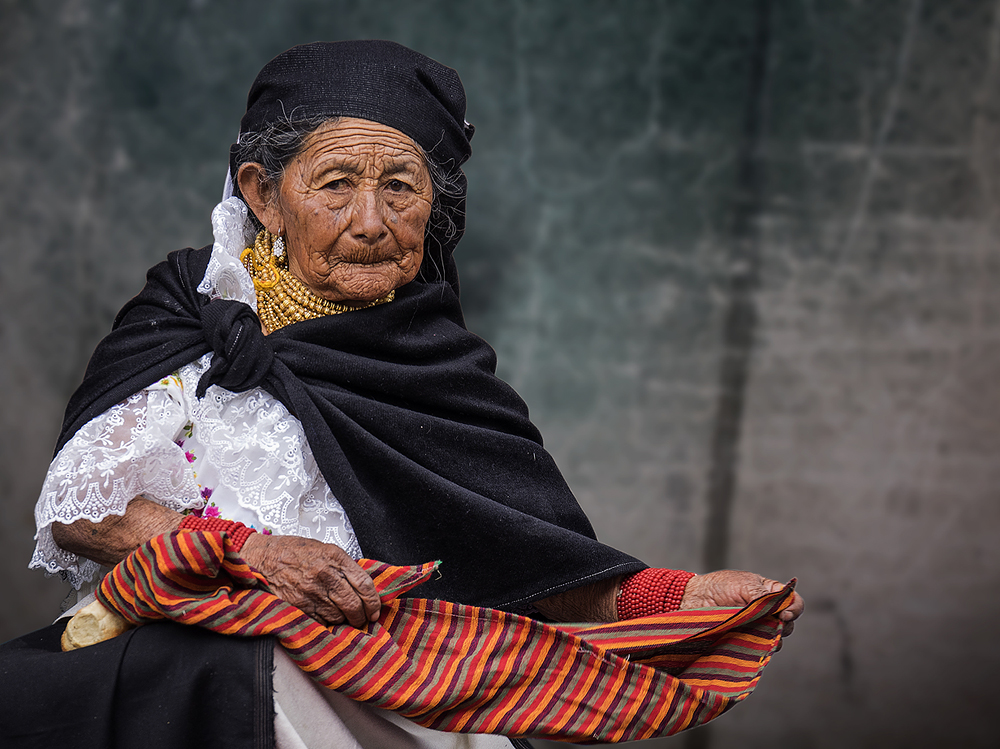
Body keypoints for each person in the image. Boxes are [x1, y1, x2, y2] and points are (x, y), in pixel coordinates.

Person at [21, 40, 802, 747]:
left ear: (436, 209)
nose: (371, 220)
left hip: (396, 681)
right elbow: (87, 508)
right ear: (264, 196)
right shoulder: (186, 316)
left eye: (401, 187)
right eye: (335, 184)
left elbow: (536, 571)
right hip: (180, 669)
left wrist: (689, 594)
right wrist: (255, 556)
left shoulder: (443, 371)